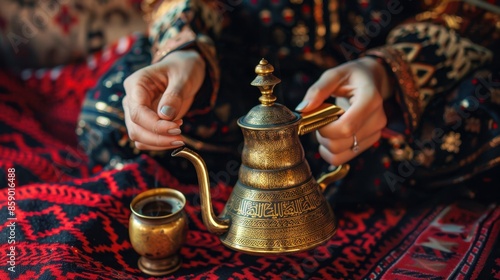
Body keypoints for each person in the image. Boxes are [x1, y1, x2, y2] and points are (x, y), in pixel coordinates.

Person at [1, 0, 499, 201]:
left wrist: (391, 73)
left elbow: (474, 8)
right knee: (115, 114)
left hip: (384, 86)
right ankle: (318, 187)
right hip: (229, 72)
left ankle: (284, 184)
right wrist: (186, 51)